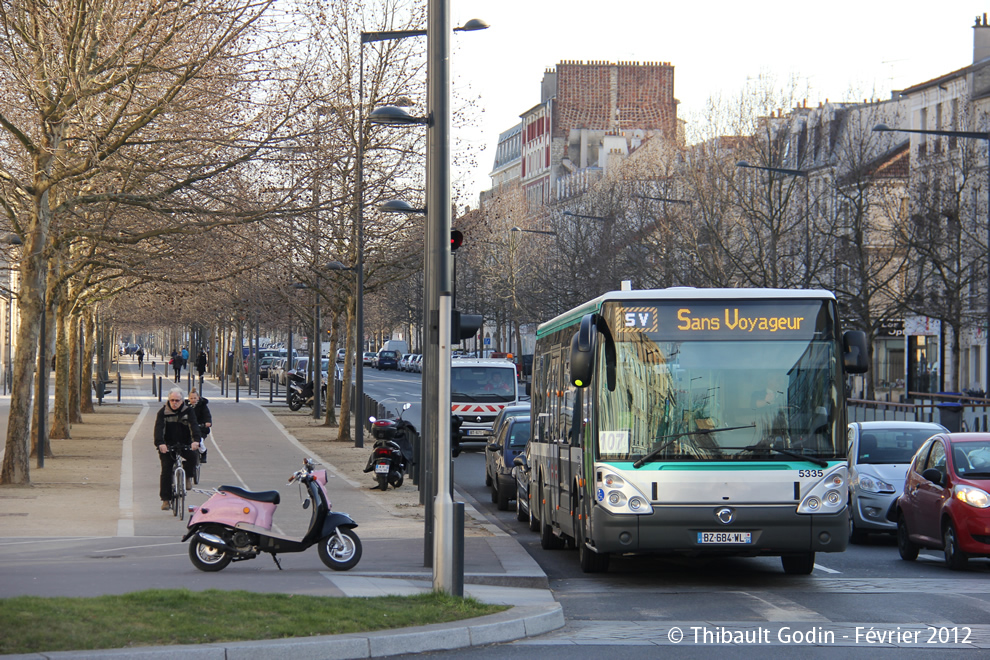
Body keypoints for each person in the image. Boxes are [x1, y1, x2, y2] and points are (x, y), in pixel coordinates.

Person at [154, 387, 202, 510]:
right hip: (168, 445)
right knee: (166, 470)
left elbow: (194, 426)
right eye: (172, 400)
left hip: (185, 443)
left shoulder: (188, 411)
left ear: (182, 400)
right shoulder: (163, 412)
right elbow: (158, 430)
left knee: (193, 457)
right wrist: (160, 444)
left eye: (177, 400)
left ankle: (187, 477)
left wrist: (196, 441)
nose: (174, 403)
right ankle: (166, 499)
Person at [187, 389, 212, 464]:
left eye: (195, 398)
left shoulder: (203, 406)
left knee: (199, 442)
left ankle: (203, 453)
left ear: (198, 398)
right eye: (191, 398)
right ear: (188, 398)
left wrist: (207, 423)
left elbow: (207, 416)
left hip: (200, 429)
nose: (193, 400)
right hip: (188, 428)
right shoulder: (186, 406)